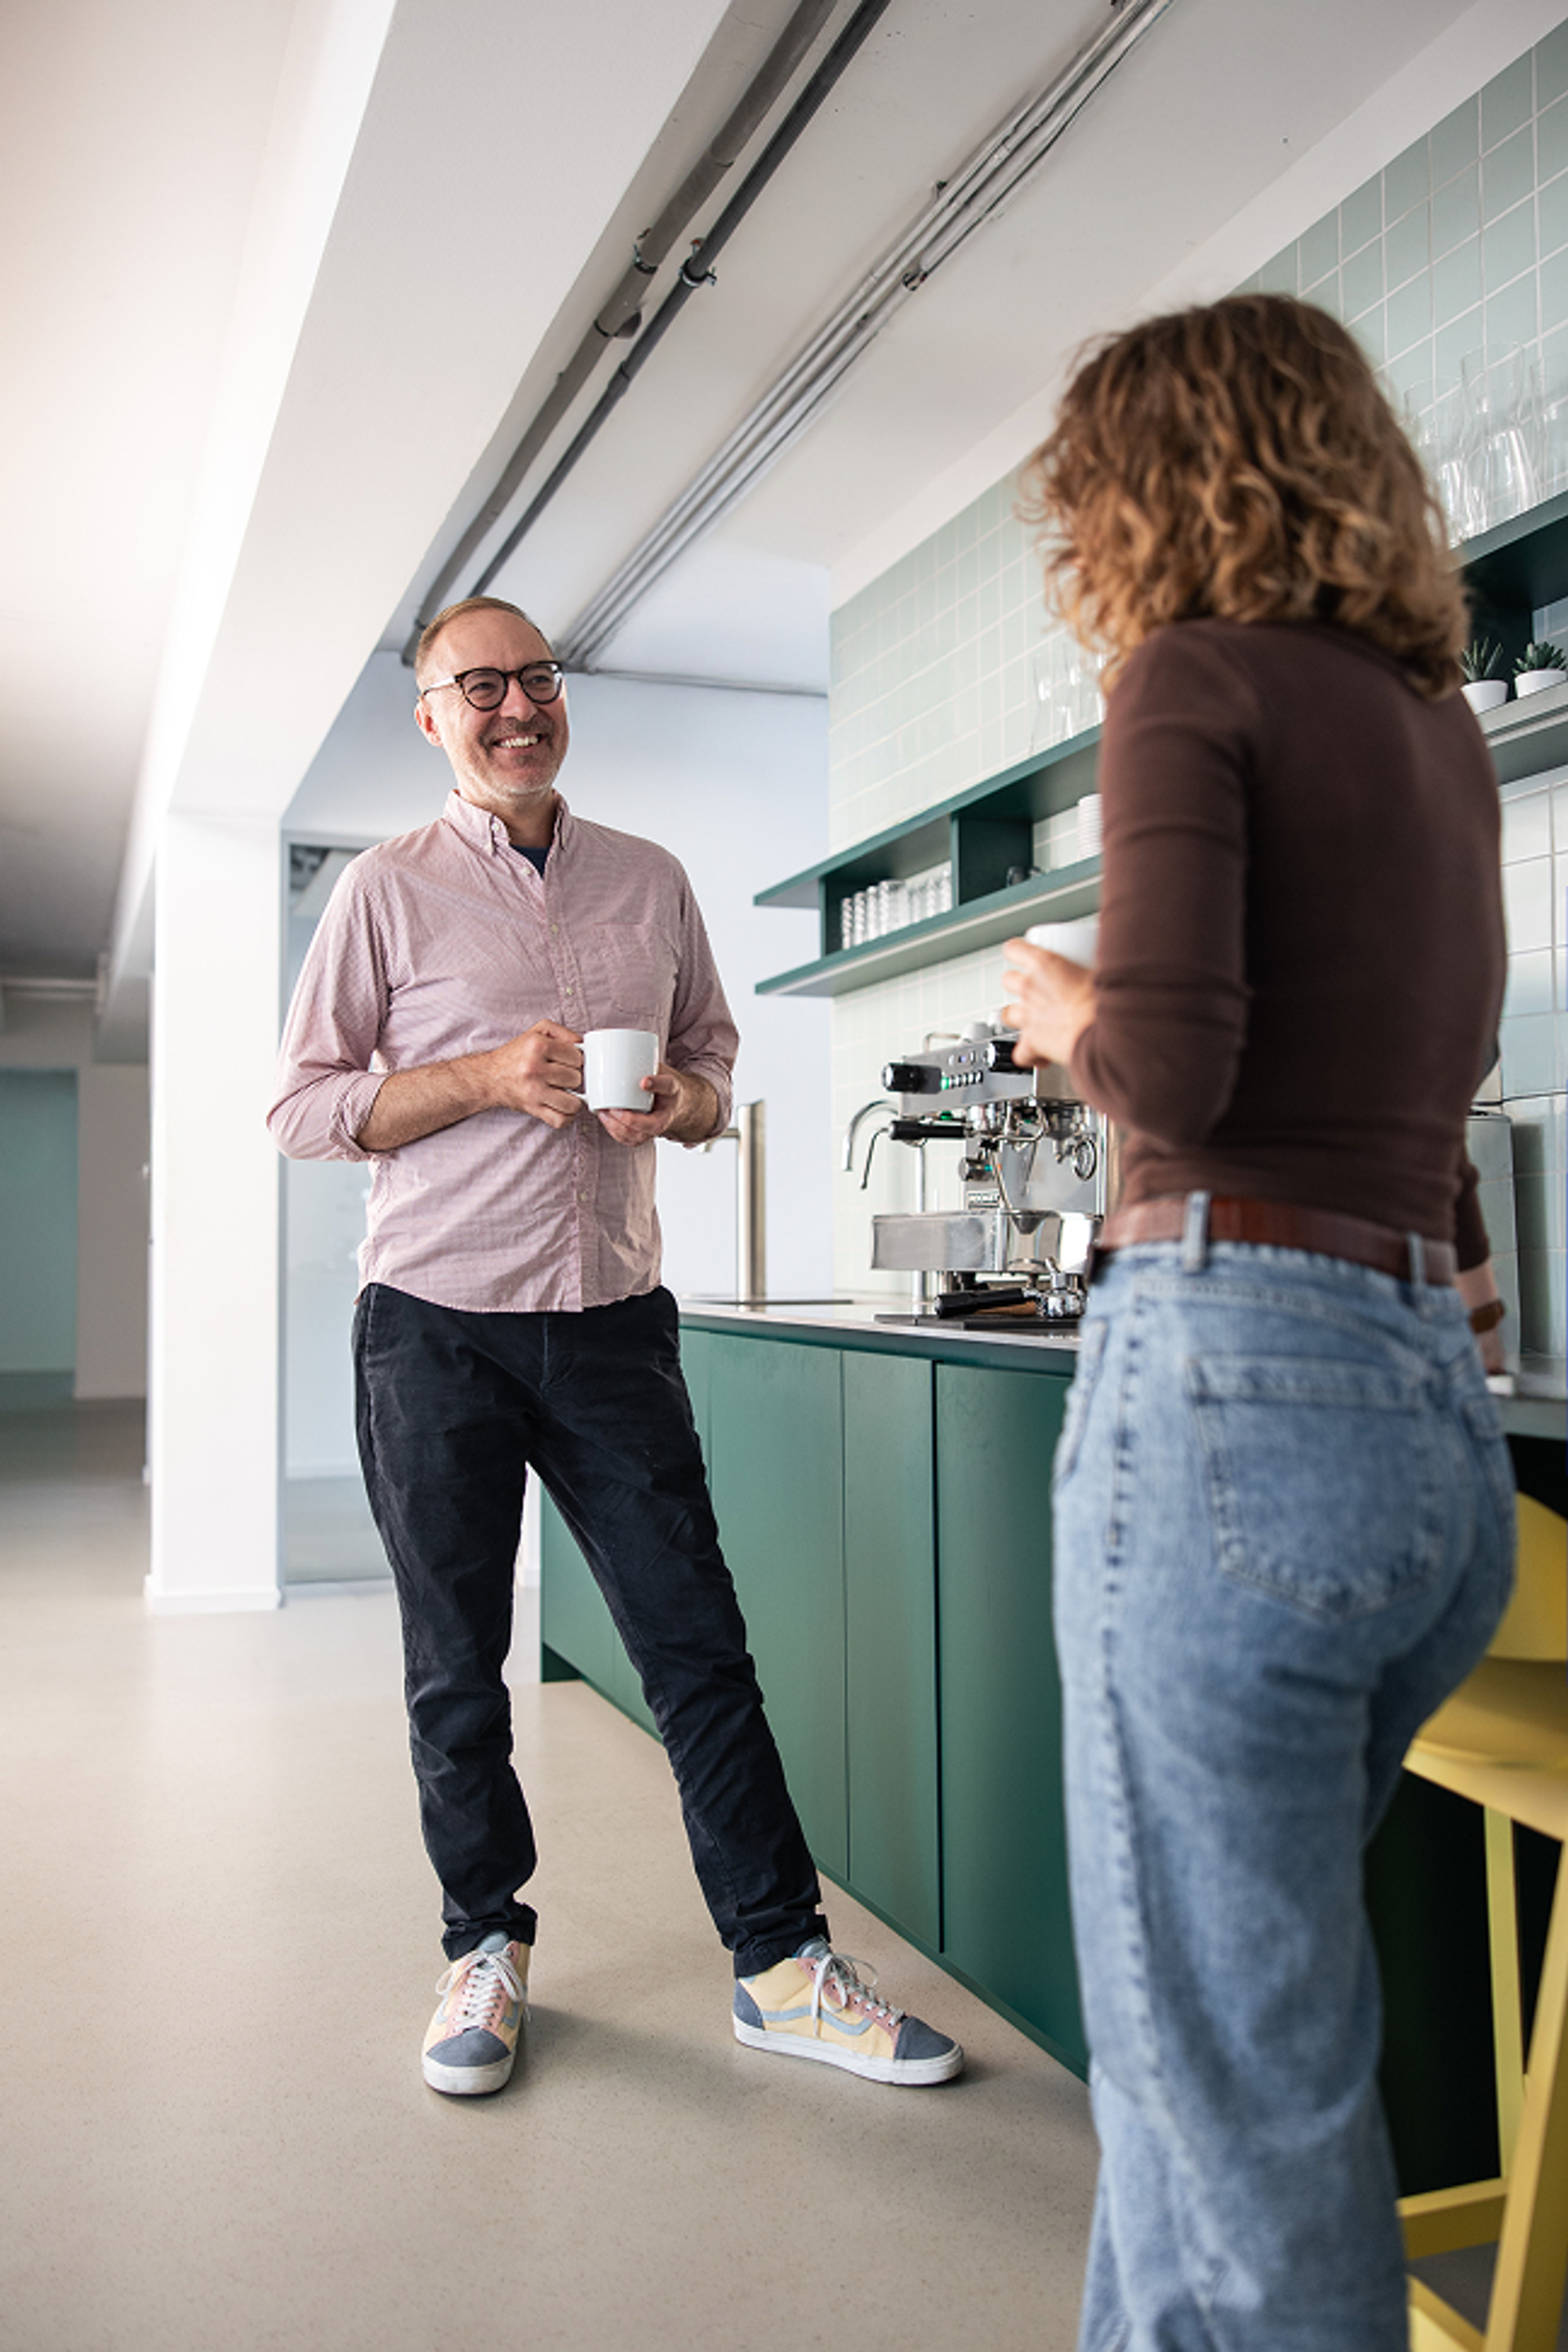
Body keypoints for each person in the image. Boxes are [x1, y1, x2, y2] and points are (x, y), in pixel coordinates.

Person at [1000, 296, 1515, 2349]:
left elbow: (1183, 1078)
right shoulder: (1435, 733)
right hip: (1422, 1428)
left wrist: (1061, 1018)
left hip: (1231, 1391)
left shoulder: (1185, 677)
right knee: (1194, 2063)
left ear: (1148, 485)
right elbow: (1445, 1138)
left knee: (1239, 2097)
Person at [269, 595, 961, 2097]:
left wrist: (685, 1111)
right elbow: (305, 1109)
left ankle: (781, 1964)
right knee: (456, 1668)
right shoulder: (384, 894)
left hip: (611, 1328)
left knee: (696, 1649)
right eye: (480, 687)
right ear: (432, 717)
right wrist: (473, 1078)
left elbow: (714, 1067)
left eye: (536, 679)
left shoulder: (651, 883)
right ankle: (484, 1947)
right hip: (432, 1329)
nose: (515, 707)